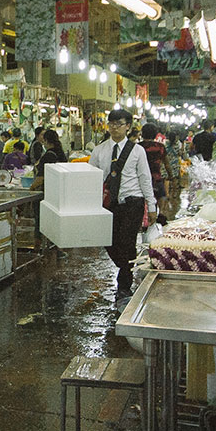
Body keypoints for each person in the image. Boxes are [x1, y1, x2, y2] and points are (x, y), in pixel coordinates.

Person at [90, 110, 156, 296]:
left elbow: (145, 179)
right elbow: (92, 179)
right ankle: (127, 265)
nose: (114, 127)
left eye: (118, 124)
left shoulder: (137, 151)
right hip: (110, 204)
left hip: (132, 203)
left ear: (128, 126)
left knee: (127, 242)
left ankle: (124, 286)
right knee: (108, 241)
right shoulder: (99, 151)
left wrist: (151, 206)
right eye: (110, 123)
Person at [140, 124, 174, 215]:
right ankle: (160, 214)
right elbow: (167, 164)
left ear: (142, 134)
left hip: (140, 180)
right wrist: (171, 176)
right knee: (162, 196)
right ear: (155, 134)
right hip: (156, 178)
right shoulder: (160, 147)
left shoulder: (137, 147)